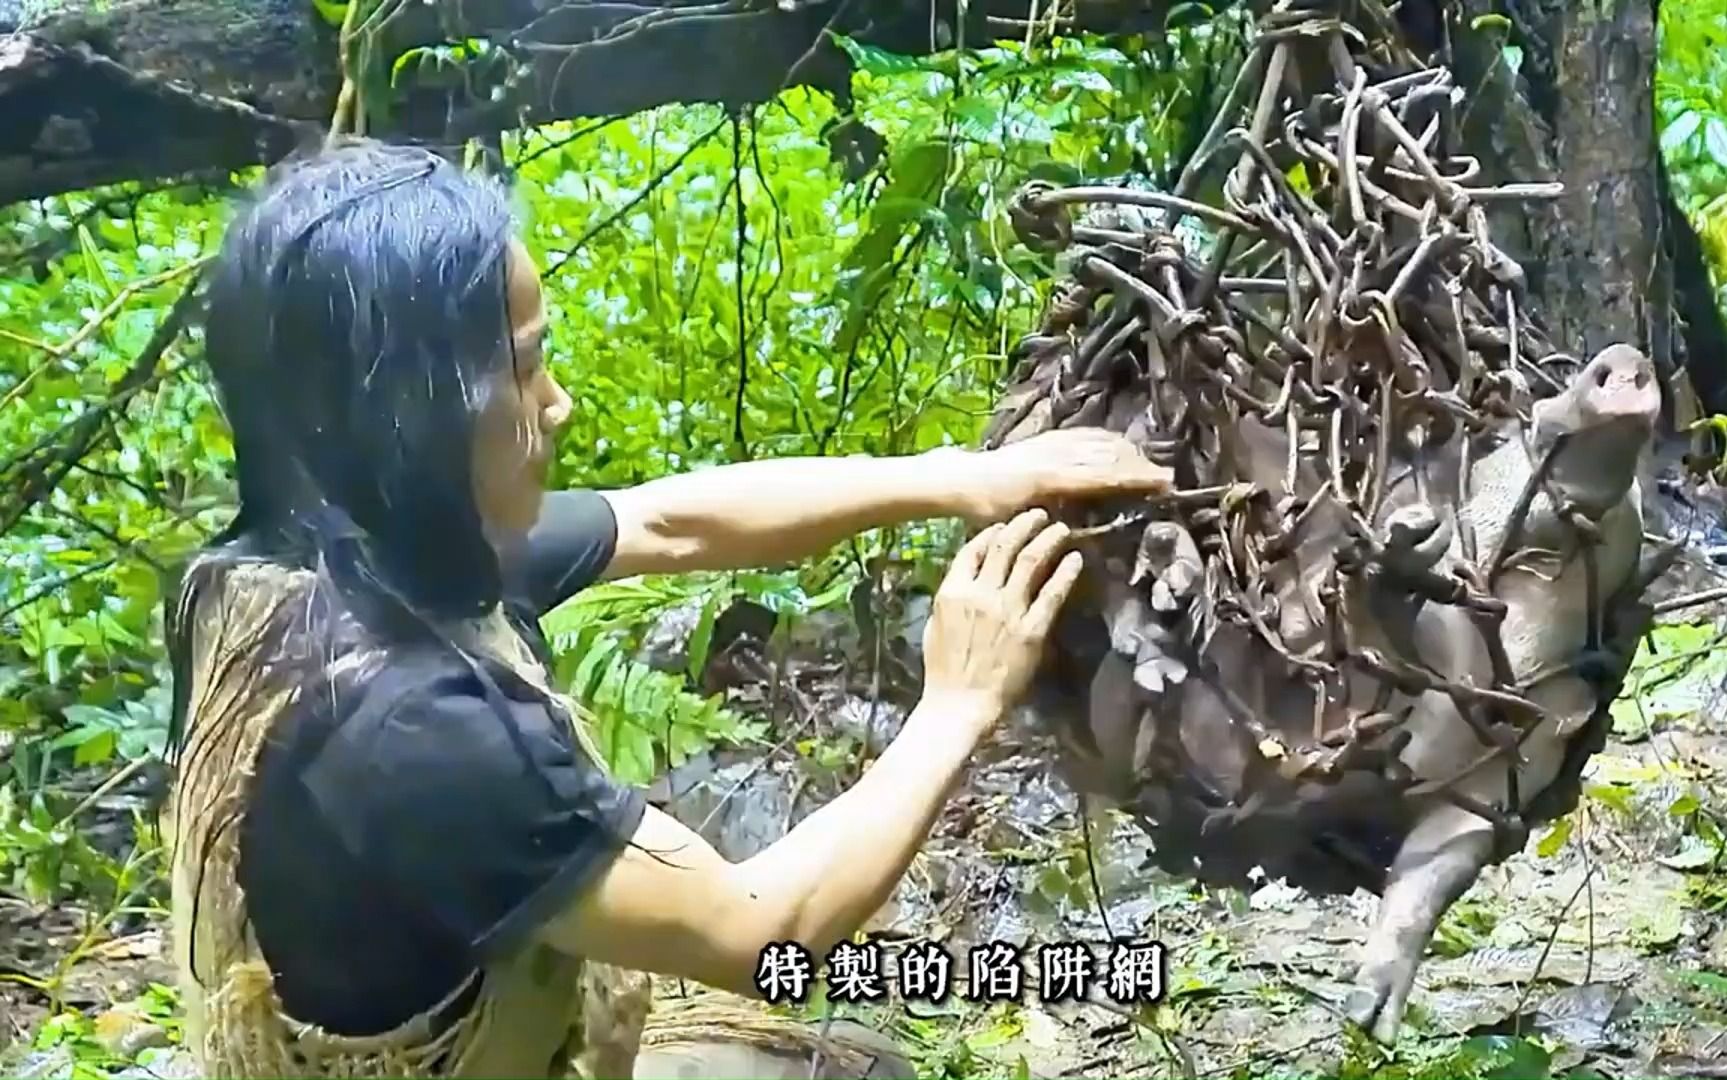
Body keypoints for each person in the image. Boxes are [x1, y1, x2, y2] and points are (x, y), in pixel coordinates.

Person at [157, 137, 1173, 1079]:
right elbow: (763, 930)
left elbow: (673, 524)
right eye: (525, 363)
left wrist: (955, 478)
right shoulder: (413, 728)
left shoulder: (318, 563)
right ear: (417, 415)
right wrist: (957, 700)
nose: (556, 402)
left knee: (849, 1058)